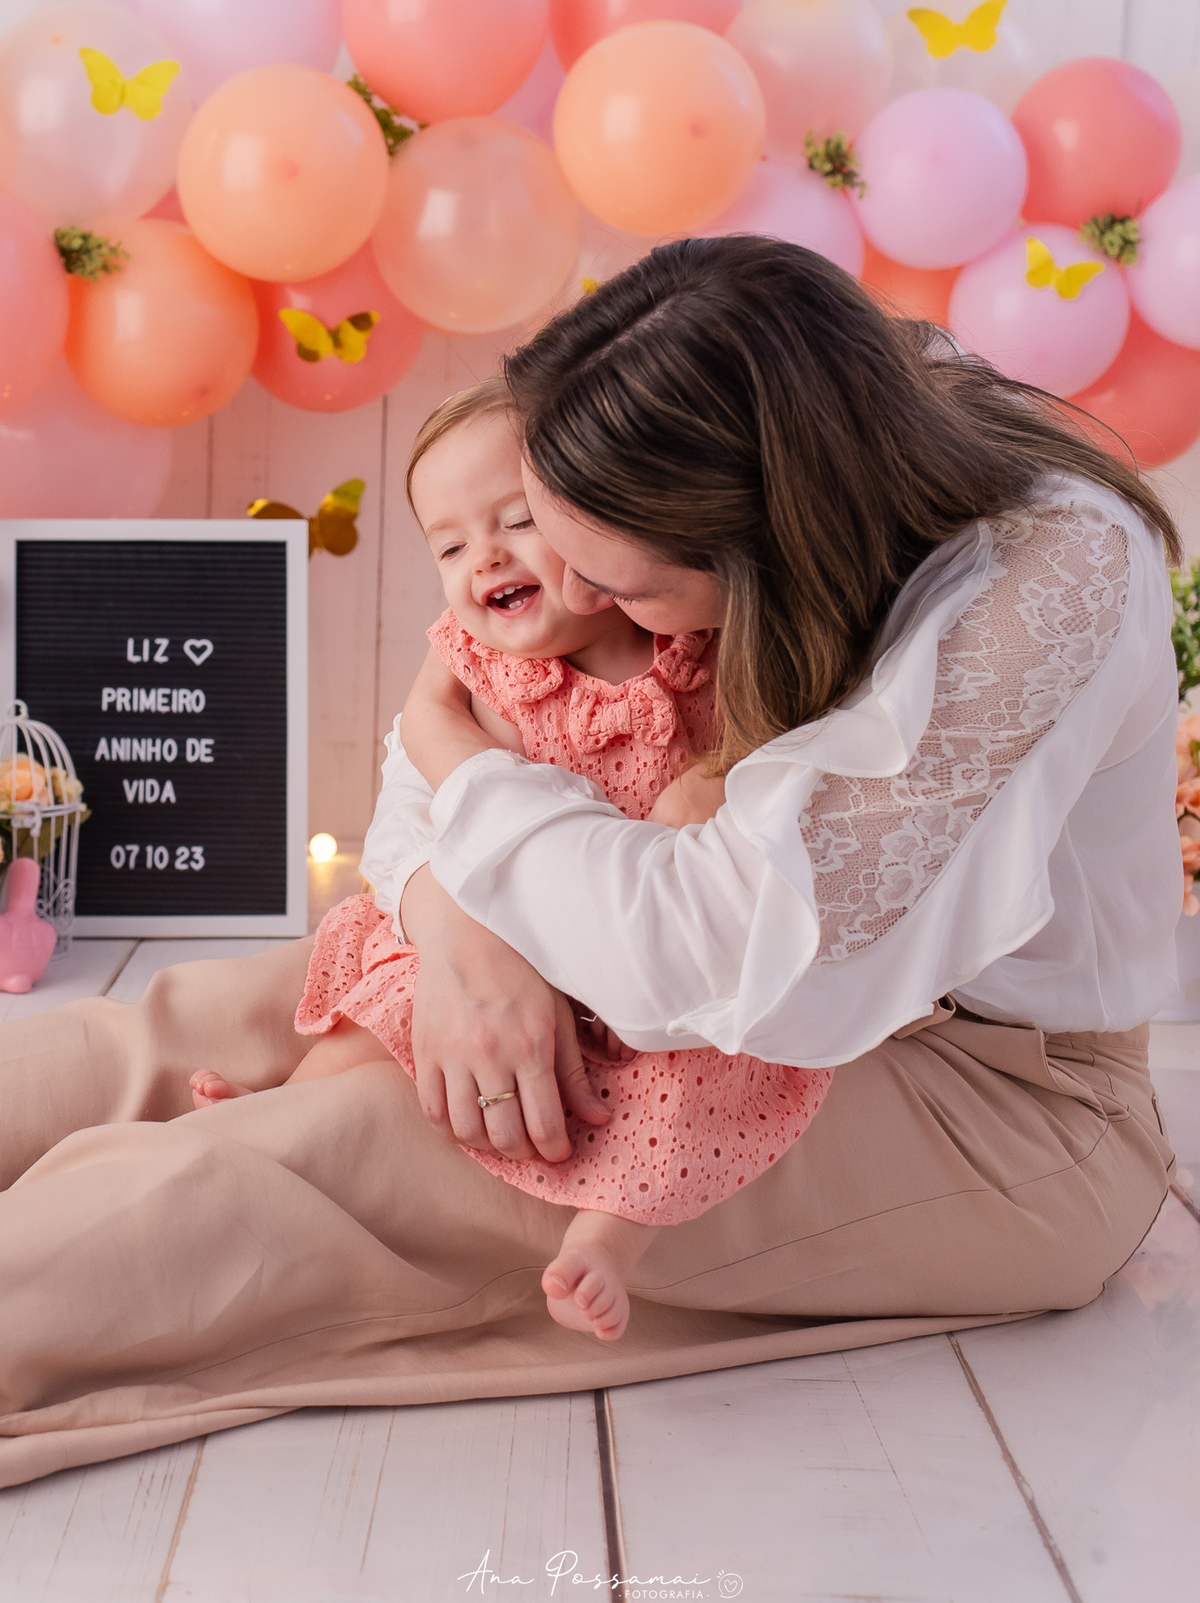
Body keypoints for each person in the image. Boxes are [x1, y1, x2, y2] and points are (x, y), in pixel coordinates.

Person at [0, 237, 1179, 1491]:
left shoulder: (1047, 579)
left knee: (340, 1148)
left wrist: (458, 766)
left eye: (609, 582)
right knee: (201, 1021)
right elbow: (441, 757)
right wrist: (459, 934)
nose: (552, 590)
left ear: (749, 563)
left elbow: (720, 954)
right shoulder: (788, 395)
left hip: (978, 1088)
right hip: (675, 965)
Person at [187, 378, 831, 1341]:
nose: (481, 557)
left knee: (705, 1069)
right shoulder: (473, 663)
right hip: (507, 920)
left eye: (517, 521)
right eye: (449, 546)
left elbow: (738, 789)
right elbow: (426, 798)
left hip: (645, 949)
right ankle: (277, 1119)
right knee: (392, 997)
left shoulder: (696, 643)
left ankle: (608, 1238)